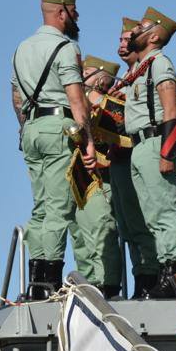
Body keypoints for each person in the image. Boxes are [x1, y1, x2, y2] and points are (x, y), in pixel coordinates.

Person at [10, 0, 95, 298]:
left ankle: (35, 278)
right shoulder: (64, 49)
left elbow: (16, 98)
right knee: (60, 208)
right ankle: (49, 283)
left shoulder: (21, 49)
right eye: (73, 10)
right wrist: (88, 141)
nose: (76, 16)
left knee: (41, 207)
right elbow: (76, 99)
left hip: (31, 129)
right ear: (61, 12)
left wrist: (27, 128)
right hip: (59, 126)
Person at [124, 7, 176, 298]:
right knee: (152, 216)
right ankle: (165, 270)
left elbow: (171, 109)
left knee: (164, 211)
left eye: (143, 26)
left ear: (156, 35)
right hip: (139, 145)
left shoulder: (159, 63)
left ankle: (174, 272)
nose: (136, 29)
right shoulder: (142, 68)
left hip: (154, 142)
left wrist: (167, 152)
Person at [111, 17, 159, 298]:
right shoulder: (124, 82)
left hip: (137, 152)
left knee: (144, 221)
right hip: (118, 158)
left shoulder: (147, 74)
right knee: (128, 225)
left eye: (126, 38)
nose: (123, 44)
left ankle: (150, 278)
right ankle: (140, 274)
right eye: (120, 40)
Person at [72, 55, 123, 298]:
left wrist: (89, 97)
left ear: (102, 78)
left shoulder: (108, 103)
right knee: (82, 236)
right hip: (80, 178)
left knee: (102, 230)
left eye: (87, 73)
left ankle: (108, 284)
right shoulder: (77, 102)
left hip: (102, 178)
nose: (81, 77)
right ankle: (88, 284)